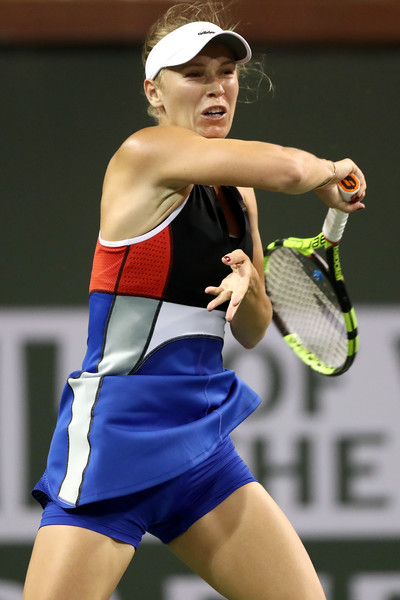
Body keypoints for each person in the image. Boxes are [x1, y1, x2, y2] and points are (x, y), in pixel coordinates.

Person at [23, 2, 366, 599]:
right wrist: (326, 169)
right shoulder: (143, 156)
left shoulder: (239, 195)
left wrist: (249, 284)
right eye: (195, 74)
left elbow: (256, 330)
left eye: (226, 72)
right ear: (155, 92)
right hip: (117, 441)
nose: (216, 87)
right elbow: (287, 168)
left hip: (199, 447)